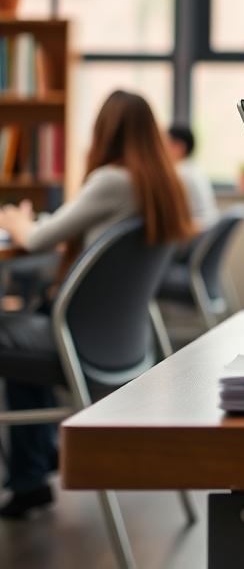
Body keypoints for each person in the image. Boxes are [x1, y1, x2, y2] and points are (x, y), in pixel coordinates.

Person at [0, 90, 193, 519]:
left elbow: (36, 241)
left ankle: (32, 469)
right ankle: (35, 466)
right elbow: (77, 226)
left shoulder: (112, 180)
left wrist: (16, 221)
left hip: (79, 340)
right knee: (27, 326)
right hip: (123, 343)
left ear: (106, 131)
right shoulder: (163, 187)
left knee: (14, 329)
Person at [165, 123, 219, 229]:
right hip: (206, 230)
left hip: (195, 232)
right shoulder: (194, 169)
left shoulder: (179, 173)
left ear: (178, 147)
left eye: (164, 143)